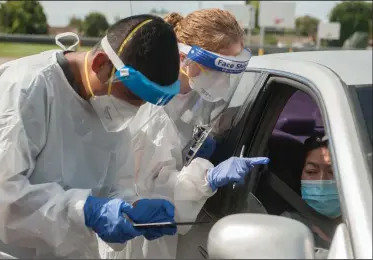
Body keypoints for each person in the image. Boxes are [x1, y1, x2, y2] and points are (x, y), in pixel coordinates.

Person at [0, 15, 185, 259]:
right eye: (131, 97)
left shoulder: (111, 108)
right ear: (100, 63)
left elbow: (114, 184)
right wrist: (87, 211)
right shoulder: (25, 89)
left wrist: (129, 208)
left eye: (143, 103)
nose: (134, 109)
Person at [104, 9, 269, 259]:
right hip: (137, 241)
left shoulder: (199, 98)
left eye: (231, 71)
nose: (223, 80)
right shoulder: (150, 106)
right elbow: (148, 190)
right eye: (217, 69)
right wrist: (207, 178)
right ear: (184, 58)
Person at [281, 134, 342, 259]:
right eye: (311, 172)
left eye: (333, 172)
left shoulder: (364, 218)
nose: (321, 182)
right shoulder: (289, 226)